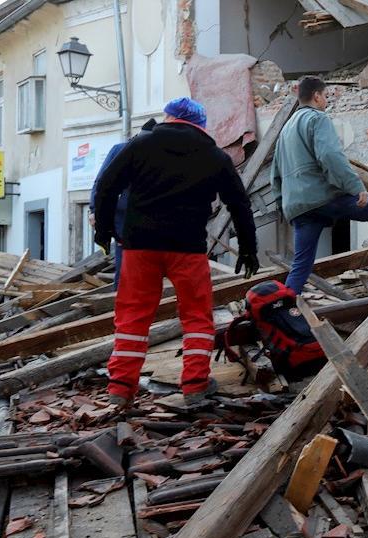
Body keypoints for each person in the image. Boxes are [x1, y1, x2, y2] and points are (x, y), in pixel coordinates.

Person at [93, 97, 259, 408]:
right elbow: (239, 203)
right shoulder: (214, 155)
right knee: (197, 317)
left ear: (169, 117)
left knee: (132, 318)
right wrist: (248, 248)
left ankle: (120, 388)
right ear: (200, 125)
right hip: (188, 248)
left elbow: (106, 187)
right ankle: (195, 385)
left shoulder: (140, 145)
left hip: (140, 247)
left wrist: (103, 231)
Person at [271, 75, 368, 293]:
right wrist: (356, 187)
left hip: (298, 207)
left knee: (301, 264)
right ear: (317, 96)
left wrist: (286, 205)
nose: (327, 101)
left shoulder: (285, 131)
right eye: (326, 96)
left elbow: (275, 176)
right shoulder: (317, 118)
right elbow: (330, 156)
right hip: (322, 198)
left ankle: (285, 304)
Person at [90, 118, 156, 290]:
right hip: (125, 220)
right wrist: (94, 210)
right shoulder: (121, 150)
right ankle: (121, 298)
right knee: (126, 268)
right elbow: (102, 182)